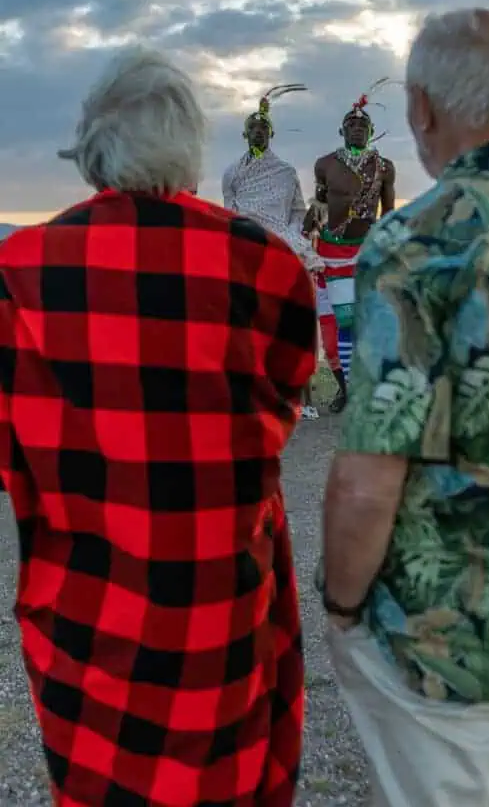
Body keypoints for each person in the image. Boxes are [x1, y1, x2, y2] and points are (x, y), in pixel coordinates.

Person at [0, 49, 317, 806]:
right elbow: (285, 401)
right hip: (222, 590)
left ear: (90, 146)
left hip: (84, 595)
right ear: (189, 147)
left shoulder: (21, 266)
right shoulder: (264, 264)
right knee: (227, 774)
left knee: (100, 781)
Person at [321, 9, 489, 806]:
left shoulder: (413, 244)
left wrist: (341, 603)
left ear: (422, 108)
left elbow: (370, 477)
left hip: (437, 632)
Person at [223, 85, 322, 420]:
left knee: (292, 323)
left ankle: (303, 399)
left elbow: (296, 211)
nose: (258, 133)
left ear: (272, 133)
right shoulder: (232, 173)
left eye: (263, 129)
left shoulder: (285, 172)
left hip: (283, 248)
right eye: (253, 128)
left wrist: (296, 237)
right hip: (249, 249)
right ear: (244, 134)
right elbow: (232, 215)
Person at [305, 88, 395, 412]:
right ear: (342, 131)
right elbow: (318, 207)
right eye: (351, 126)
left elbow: (389, 213)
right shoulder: (325, 165)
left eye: (363, 126)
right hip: (330, 251)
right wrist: (305, 242)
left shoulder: (384, 167)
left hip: (366, 250)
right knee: (336, 322)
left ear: (371, 132)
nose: (357, 130)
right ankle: (345, 390)